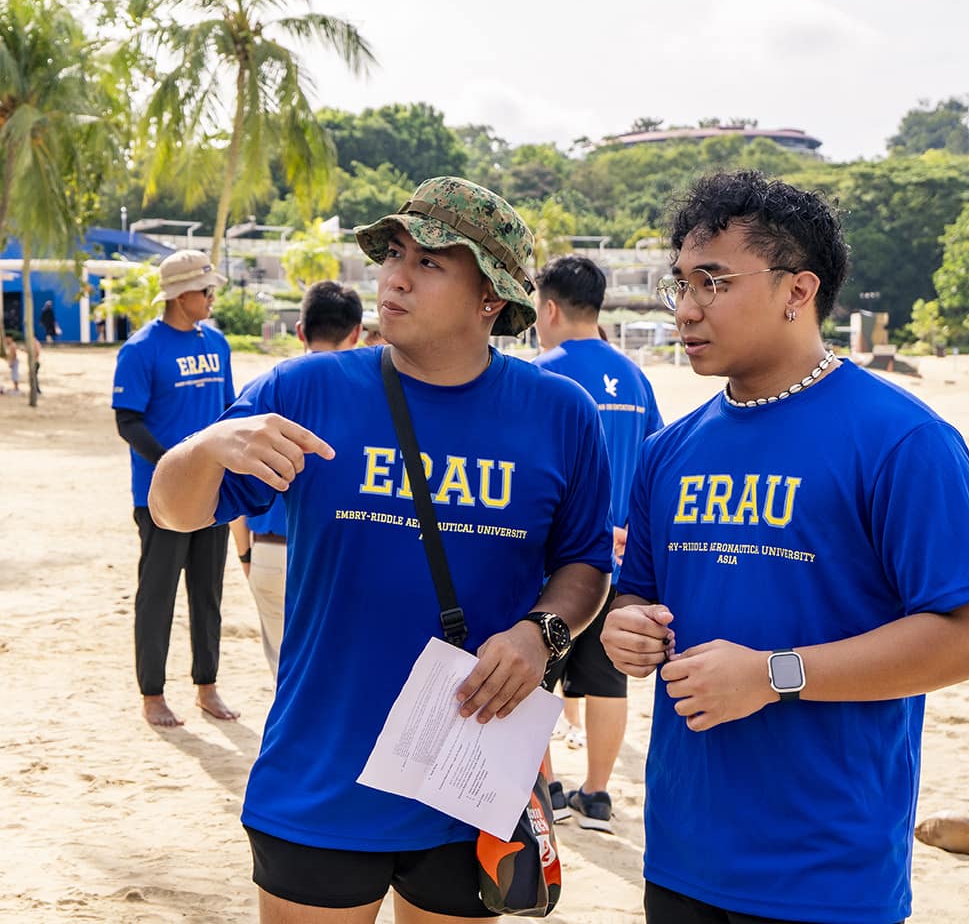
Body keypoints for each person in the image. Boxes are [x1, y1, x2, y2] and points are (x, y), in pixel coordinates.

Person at [148, 176, 613, 924]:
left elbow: (586, 562)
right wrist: (209, 445)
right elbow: (171, 510)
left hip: (467, 781)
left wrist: (542, 632)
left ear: (490, 299)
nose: (394, 275)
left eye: (429, 263)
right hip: (322, 777)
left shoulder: (561, 415)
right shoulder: (307, 390)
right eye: (395, 253)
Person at [601, 170, 969, 924]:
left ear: (797, 290)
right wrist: (626, 627)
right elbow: (640, 595)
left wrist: (774, 675)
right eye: (679, 283)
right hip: (683, 855)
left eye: (714, 282)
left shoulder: (902, 440)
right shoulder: (669, 452)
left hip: (826, 870)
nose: (686, 309)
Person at [533, 255, 663, 833]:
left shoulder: (543, 375)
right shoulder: (634, 377)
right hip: (619, 558)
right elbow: (657, 459)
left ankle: (550, 789)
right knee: (608, 680)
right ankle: (599, 795)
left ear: (550, 308)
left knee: (540, 676)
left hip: (557, 562)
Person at [111, 249, 239, 729]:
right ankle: (153, 695)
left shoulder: (218, 343)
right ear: (180, 295)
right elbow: (128, 421)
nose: (211, 297)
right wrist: (174, 465)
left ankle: (206, 687)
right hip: (160, 498)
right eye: (205, 289)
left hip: (214, 494)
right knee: (158, 594)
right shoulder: (142, 350)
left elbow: (229, 411)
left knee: (207, 593)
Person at [230, 280, 364, 678]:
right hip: (341, 559)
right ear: (356, 333)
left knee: (286, 680)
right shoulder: (371, 401)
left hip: (271, 551)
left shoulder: (264, 391)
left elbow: (234, 487)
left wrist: (246, 555)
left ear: (300, 331)